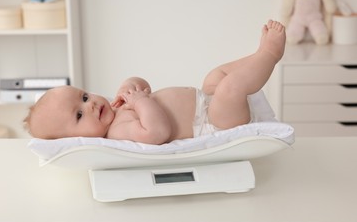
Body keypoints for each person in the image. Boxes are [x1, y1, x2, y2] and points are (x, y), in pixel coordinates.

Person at [24, 20, 286, 145]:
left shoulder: (114, 108)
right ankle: (269, 55)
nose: (91, 104)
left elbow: (144, 86)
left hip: (205, 101)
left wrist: (130, 85)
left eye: (83, 97)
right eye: (79, 115)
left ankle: (255, 58)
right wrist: (141, 103)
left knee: (214, 77)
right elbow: (157, 132)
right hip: (213, 122)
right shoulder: (118, 132)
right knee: (230, 87)